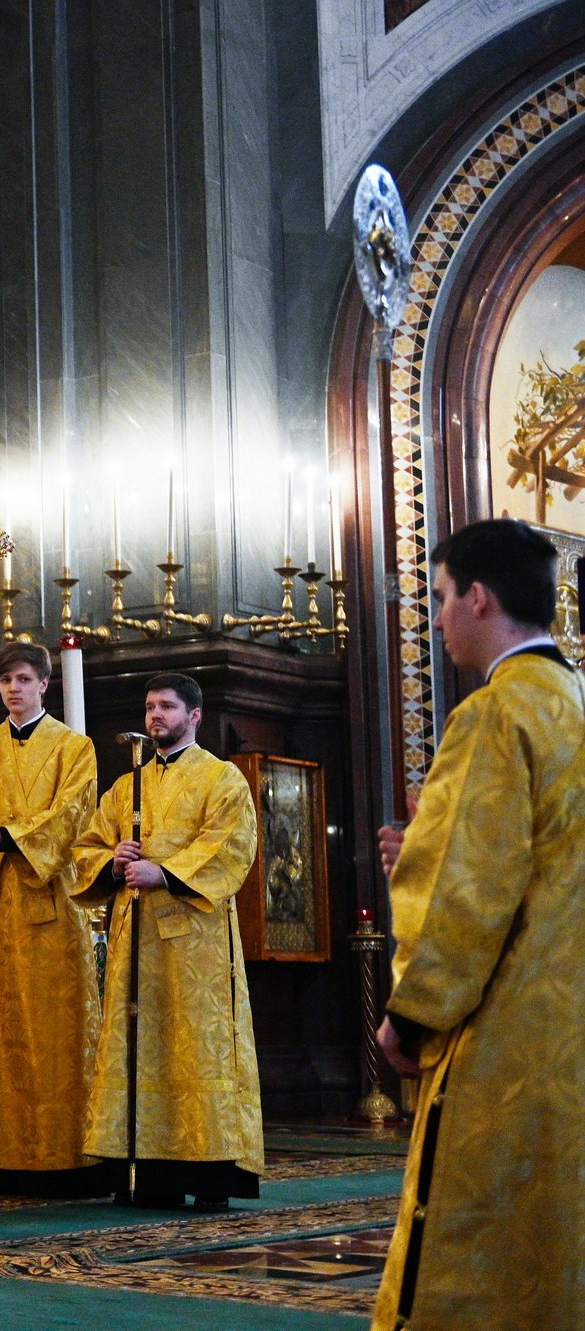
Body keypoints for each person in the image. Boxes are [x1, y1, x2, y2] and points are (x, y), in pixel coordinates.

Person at [370, 519, 583, 1331]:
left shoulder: (496, 713)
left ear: (480, 597)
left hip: (508, 1029)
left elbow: (469, 890)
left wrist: (411, 1013)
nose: (442, 618)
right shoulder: (572, 701)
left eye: (443, 597)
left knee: (474, 1241)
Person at [73, 672, 261, 1209]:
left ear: (194, 716)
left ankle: (207, 1174)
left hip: (195, 942)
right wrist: (112, 864)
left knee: (193, 1051)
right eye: (151, 707)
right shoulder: (126, 786)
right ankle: (147, 1172)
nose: (156, 715)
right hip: (137, 940)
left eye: (168, 707)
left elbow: (231, 848)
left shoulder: (222, 779)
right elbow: (85, 847)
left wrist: (166, 873)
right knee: (140, 1046)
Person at [0, 642, 106, 1196]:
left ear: (44, 684)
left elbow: (73, 818)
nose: (13, 689)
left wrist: (3, 835)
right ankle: (0, 1155)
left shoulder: (74, 747)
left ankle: (65, 1157)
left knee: (53, 1033)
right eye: (5, 681)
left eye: (23, 679)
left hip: (50, 907)